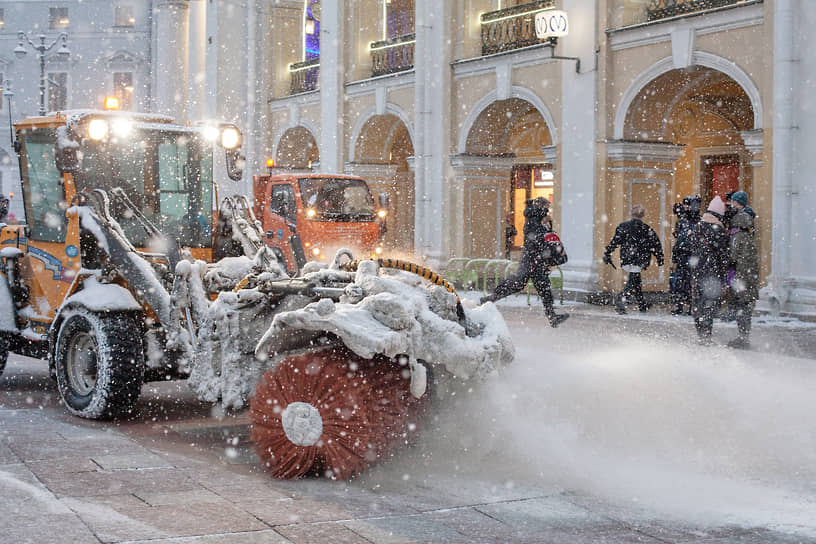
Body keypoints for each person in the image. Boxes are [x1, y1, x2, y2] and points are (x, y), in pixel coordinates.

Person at [480, 197, 569, 328]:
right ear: (540, 207)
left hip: (535, 260)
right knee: (519, 283)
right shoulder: (533, 221)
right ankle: (490, 298)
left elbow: (542, 240)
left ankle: (551, 316)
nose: (547, 210)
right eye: (546, 207)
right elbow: (539, 241)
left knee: (542, 287)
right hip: (531, 260)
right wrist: (553, 250)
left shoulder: (537, 220)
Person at [603, 205, 664, 314]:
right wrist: (660, 258)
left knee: (636, 280)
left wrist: (608, 252)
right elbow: (656, 245)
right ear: (643, 215)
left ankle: (642, 304)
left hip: (627, 257)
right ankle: (621, 301)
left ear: (631, 214)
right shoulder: (647, 229)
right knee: (633, 281)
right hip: (640, 259)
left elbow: (615, 241)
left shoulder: (623, 226)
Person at [688, 196, 730, 345]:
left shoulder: (697, 227)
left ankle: (701, 333)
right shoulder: (717, 229)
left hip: (697, 270)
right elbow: (723, 253)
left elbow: (689, 247)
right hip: (712, 271)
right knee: (710, 303)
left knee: (699, 302)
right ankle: (706, 335)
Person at [726, 210, 759, 349]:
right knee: (746, 307)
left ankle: (742, 338)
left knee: (741, 307)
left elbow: (732, 257)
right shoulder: (750, 237)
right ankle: (745, 336)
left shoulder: (736, 237)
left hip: (741, 277)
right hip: (751, 277)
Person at [671, 195, 701, 315]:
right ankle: (679, 305)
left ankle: (690, 306)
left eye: (688, 205)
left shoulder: (697, 221)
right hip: (683, 254)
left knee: (691, 282)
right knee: (680, 281)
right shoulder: (682, 221)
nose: (686, 207)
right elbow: (678, 238)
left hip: (692, 254)